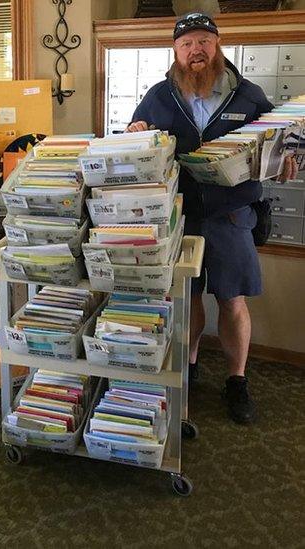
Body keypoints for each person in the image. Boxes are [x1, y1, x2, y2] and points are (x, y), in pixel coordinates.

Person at [126, 12, 297, 424]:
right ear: (176, 52)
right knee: (187, 297)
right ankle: (190, 365)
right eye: (187, 44)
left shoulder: (250, 95)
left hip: (232, 215)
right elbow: (136, 137)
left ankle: (237, 380)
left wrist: (287, 158)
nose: (195, 50)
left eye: (203, 41)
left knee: (232, 300)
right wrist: (136, 130)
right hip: (179, 215)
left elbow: (282, 140)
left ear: (217, 46)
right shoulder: (159, 95)